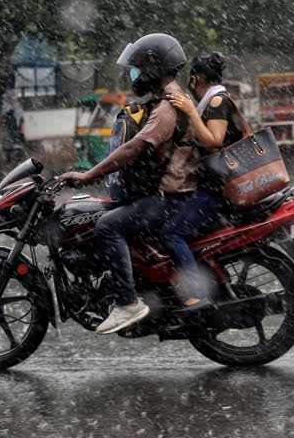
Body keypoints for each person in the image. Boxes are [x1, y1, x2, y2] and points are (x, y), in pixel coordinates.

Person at [58, 33, 198, 334]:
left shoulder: (167, 107)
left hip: (170, 198)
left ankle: (128, 302)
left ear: (153, 67)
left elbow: (134, 147)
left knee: (108, 225)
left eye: (136, 67)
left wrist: (89, 174)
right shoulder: (167, 99)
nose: (132, 74)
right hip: (167, 194)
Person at [161, 52, 241, 310]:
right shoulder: (215, 99)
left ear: (195, 80)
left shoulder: (216, 100)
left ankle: (196, 293)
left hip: (218, 188)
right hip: (219, 184)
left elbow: (215, 140)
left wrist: (189, 110)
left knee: (172, 233)